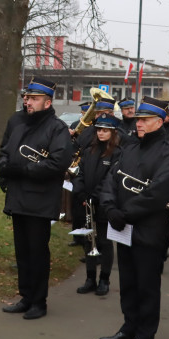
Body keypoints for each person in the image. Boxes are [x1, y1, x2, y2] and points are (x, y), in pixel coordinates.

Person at [97, 97, 169, 339]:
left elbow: (157, 193)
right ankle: (128, 327)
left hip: (149, 228)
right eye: (138, 120)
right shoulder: (130, 147)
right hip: (124, 226)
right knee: (128, 280)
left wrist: (126, 213)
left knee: (146, 284)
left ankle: (145, 337)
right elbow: (112, 179)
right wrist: (110, 208)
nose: (139, 124)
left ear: (160, 122)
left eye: (145, 120)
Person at [0, 76, 73, 320]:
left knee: (37, 251)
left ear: (47, 102)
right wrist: (4, 168)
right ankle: (26, 296)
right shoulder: (17, 121)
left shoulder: (57, 128)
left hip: (40, 199)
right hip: (18, 197)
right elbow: (4, 151)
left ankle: (39, 302)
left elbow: (58, 162)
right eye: (27, 97)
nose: (28, 102)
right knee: (22, 251)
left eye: (34, 98)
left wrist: (23, 170)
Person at [73, 115, 122, 296]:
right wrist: (80, 192)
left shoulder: (117, 153)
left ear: (112, 132)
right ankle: (90, 278)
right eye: (99, 130)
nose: (101, 133)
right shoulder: (89, 150)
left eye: (105, 130)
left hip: (104, 204)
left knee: (104, 241)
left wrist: (95, 196)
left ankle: (104, 280)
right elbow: (80, 173)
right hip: (87, 203)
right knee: (88, 240)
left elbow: (110, 178)